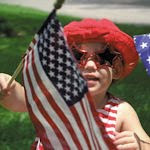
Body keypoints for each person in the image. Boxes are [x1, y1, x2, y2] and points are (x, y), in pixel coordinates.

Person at [0, 18, 150, 150]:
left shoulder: (120, 111)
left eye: (104, 57)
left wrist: (140, 145)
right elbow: (19, 100)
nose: (91, 65)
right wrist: (7, 85)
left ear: (116, 69)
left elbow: (147, 143)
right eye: (77, 56)